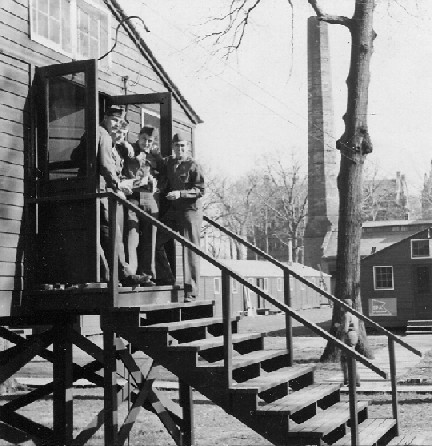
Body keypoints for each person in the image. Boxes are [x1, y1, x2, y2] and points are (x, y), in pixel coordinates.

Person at [70, 106, 152, 287]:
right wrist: (118, 187)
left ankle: (113, 276)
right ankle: (122, 275)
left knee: (101, 233)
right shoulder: (104, 135)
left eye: (120, 123)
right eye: (114, 121)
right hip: (99, 192)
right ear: (105, 118)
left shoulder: (93, 133)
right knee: (110, 232)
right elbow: (106, 166)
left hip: (89, 191)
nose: (116, 125)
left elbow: (75, 157)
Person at [156, 132, 205, 301]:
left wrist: (180, 193)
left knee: (190, 250)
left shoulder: (194, 165)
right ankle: (167, 278)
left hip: (190, 211)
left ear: (187, 147)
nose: (180, 149)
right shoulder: (169, 162)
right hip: (174, 211)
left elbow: (200, 190)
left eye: (183, 146)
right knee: (155, 241)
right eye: (177, 146)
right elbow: (161, 173)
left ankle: (191, 292)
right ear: (173, 147)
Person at [122, 125, 163, 281]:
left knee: (150, 238)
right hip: (133, 197)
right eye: (144, 139)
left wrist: (155, 182)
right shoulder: (128, 149)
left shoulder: (155, 157)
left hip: (150, 199)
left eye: (150, 140)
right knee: (132, 234)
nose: (146, 143)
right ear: (138, 137)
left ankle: (147, 275)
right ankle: (131, 273)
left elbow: (163, 175)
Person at [338, 300, 361, 386]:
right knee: (352, 358)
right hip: (354, 336)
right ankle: (356, 379)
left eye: (341, 305)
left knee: (345, 359)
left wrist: (339, 328)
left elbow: (345, 329)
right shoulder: (354, 315)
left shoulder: (346, 315)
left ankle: (348, 380)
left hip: (348, 336)